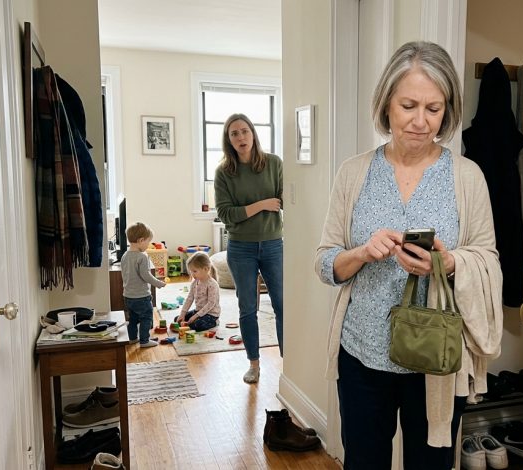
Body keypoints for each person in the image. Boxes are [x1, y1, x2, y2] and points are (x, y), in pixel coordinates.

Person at [314, 41, 504, 469]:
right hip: (362, 355)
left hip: (435, 361)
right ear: (386, 105)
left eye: (434, 109)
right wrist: (362, 252)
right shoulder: (353, 172)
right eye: (409, 105)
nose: (421, 121)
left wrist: (448, 262)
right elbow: (325, 262)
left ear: (447, 110)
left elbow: (488, 258)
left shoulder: (467, 177)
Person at [214, 113, 284, 384]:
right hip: (240, 248)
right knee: (247, 308)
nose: (241, 137)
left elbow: (285, 199)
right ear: (229, 140)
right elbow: (225, 214)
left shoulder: (274, 163)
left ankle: (289, 366)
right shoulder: (224, 172)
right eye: (234, 134)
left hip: (273, 245)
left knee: (281, 305)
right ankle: (254, 364)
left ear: (253, 134)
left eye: (244, 131)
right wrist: (262, 204)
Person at [121, 222, 167, 348]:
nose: (148, 245)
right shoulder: (142, 256)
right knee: (146, 318)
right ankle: (144, 341)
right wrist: (158, 283)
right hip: (141, 296)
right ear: (141, 240)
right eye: (148, 242)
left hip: (128, 296)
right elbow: (146, 275)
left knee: (133, 319)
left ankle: (132, 338)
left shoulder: (125, 255)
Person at [175, 252, 221, 332]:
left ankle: (214, 322)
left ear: (206, 269)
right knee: (177, 319)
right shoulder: (194, 282)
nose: (192, 274)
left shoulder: (212, 284)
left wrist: (195, 316)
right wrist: (183, 313)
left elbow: (211, 303)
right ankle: (192, 321)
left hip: (211, 314)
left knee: (196, 325)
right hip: (198, 311)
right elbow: (189, 298)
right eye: (191, 271)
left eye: (195, 271)